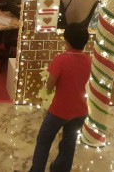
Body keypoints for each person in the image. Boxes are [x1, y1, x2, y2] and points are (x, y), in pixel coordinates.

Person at [28, 23, 92, 172]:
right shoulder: (88, 60)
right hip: (80, 110)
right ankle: (60, 168)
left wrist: (47, 90)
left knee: (44, 140)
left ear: (66, 40)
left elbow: (50, 85)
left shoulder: (61, 60)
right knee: (69, 144)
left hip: (60, 110)